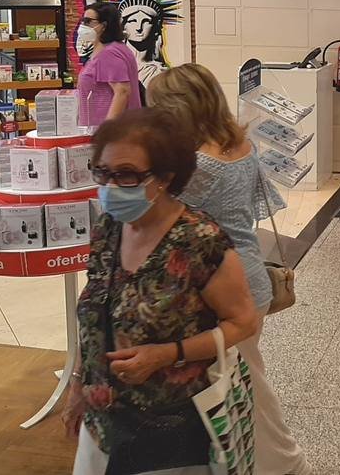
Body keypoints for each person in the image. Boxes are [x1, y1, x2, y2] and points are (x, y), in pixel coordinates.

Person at [64, 108, 259, 474]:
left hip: (171, 436)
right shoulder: (110, 227)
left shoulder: (200, 242)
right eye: (103, 172)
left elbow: (243, 322)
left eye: (127, 175)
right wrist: (78, 385)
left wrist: (167, 354)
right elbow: (94, 314)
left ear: (165, 178)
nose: (110, 186)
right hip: (103, 428)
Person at [147, 64, 312, 475]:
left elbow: (159, 216)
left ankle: (286, 463)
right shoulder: (238, 143)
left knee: (244, 389)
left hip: (220, 290)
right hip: (251, 277)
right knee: (244, 379)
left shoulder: (196, 166)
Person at [76, 2, 143, 128]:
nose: (83, 25)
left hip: (111, 132)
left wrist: (107, 131)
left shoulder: (109, 53)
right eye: (83, 20)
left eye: (88, 21)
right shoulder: (113, 49)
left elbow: (122, 92)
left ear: (104, 25)